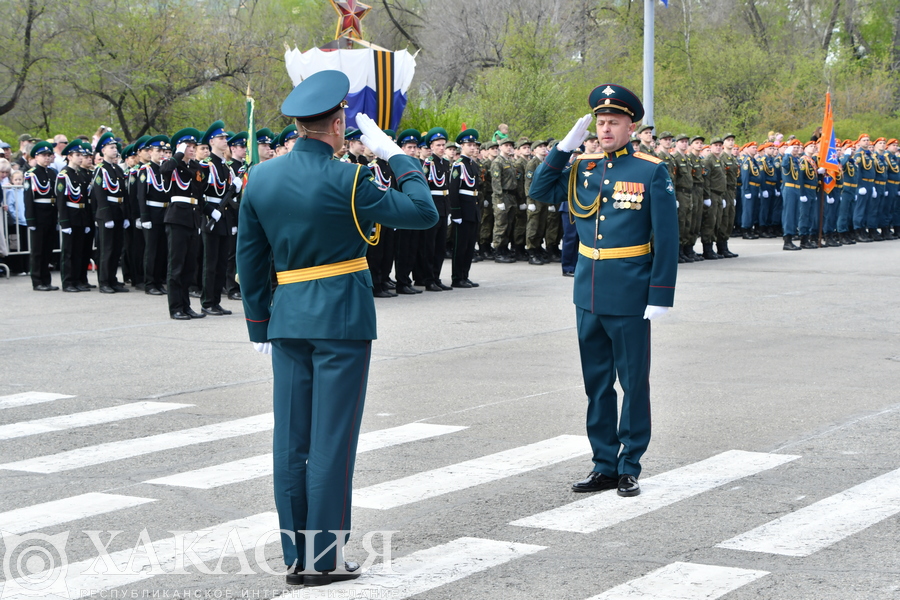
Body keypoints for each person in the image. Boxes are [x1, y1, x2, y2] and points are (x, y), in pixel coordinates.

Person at [236, 70, 438, 586]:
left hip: (287, 319)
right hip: (341, 320)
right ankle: (323, 559)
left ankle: (294, 556)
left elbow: (250, 259)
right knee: (331, 442)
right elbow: (423, 212)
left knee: (291, 439)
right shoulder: (350, 179)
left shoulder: (259, 177)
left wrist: (259, 323)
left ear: (300, 124)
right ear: (338, 121)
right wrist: (395, 155)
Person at [529, 83, 678, 498]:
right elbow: (539, 191)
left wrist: (660, 293)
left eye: (614, 122)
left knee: (633, 383)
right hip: (588, 292)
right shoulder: (585, 166)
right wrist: (564, 149)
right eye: (600, 121)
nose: (606, 128)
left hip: (630, 293)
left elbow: (666, 238)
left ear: (632, 125)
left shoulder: (651, 170)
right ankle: (604, 464)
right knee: (597, 384)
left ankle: (630, 464)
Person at [161, 128, 205, 319]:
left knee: (189, 267)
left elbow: (200, 188)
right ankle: (175, 307)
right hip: (177, 218)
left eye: (194, 146)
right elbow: (165, 170)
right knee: (176, 266)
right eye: (188, 146)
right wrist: (178, 154)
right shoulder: (172, 164)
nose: (192, 149)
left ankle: (186, 306)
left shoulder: (195, 167)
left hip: (193, 218)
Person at [91, 132, 131, 293]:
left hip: (119, 212)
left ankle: (113, 279)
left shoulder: (117, 169)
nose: (115, 150)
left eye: (116, 147)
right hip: (107, 213)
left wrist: (126, 215)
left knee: (116, 248)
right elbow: (99, 194)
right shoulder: (101, 170)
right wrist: (106, 215)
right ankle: (104, 281)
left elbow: (124, 194)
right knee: (106, 249)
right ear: (103, 150)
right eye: (111, 147)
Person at [23, 141, 60, 291]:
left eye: (49, 155)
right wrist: (30, 219)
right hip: (38, 215)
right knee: (38, 250)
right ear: (36, 157)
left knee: (48, 249)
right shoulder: (31, 174)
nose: (47, 158)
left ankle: (46, 279)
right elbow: (28, 199)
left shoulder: (52, 173)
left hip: (50, 214)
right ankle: (37, 280)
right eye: (44, 155)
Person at [448, 128, 481, 287]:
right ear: (461, 146)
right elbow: (454, 190)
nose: (473, 147)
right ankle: (457, 277)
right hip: (463, 209)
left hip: (473, 209)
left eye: (474, 144)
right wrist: (456, 212)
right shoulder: (458, 165)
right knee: (460, 246)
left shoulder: (473, 164)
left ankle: (464, 275)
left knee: (469, 246)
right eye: (469, 144)